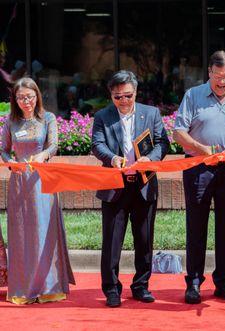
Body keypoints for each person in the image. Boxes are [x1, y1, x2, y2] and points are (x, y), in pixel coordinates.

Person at [174, 50, 225, 304]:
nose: (222, 82)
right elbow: (178, 132)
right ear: (209, 72)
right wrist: (202, 149)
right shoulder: (193, 95)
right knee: (196, 225)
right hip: (199, 166)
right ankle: (194, 283)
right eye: (218, 76)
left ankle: (224, 282)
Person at [91, 70, 169, 308]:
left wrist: (150, 159)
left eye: (128, 96)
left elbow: (162, 142)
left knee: (144, 239)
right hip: (115, 184)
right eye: (118, 97)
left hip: (144, 184)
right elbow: (97, 144)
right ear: (110, 95)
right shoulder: (103, 116)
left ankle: (141, 286)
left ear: (136, 92)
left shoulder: (151, 113)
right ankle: (112, 289)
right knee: (112, 241)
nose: (123, 101)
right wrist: (112, 158)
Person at [1, 77, 74, 304]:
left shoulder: (48, 118)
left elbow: (53, 145)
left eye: (30, 96)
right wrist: (10, 163)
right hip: (20, 182)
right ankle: (23, 289)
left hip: (43, 181)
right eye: (21, 97)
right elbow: (3, 150)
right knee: (22, 234)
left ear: (37, 96)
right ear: (15, 99)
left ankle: (49, 287)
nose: (26, 101)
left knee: (45, 231)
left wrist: (43, 155)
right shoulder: (10, 122)